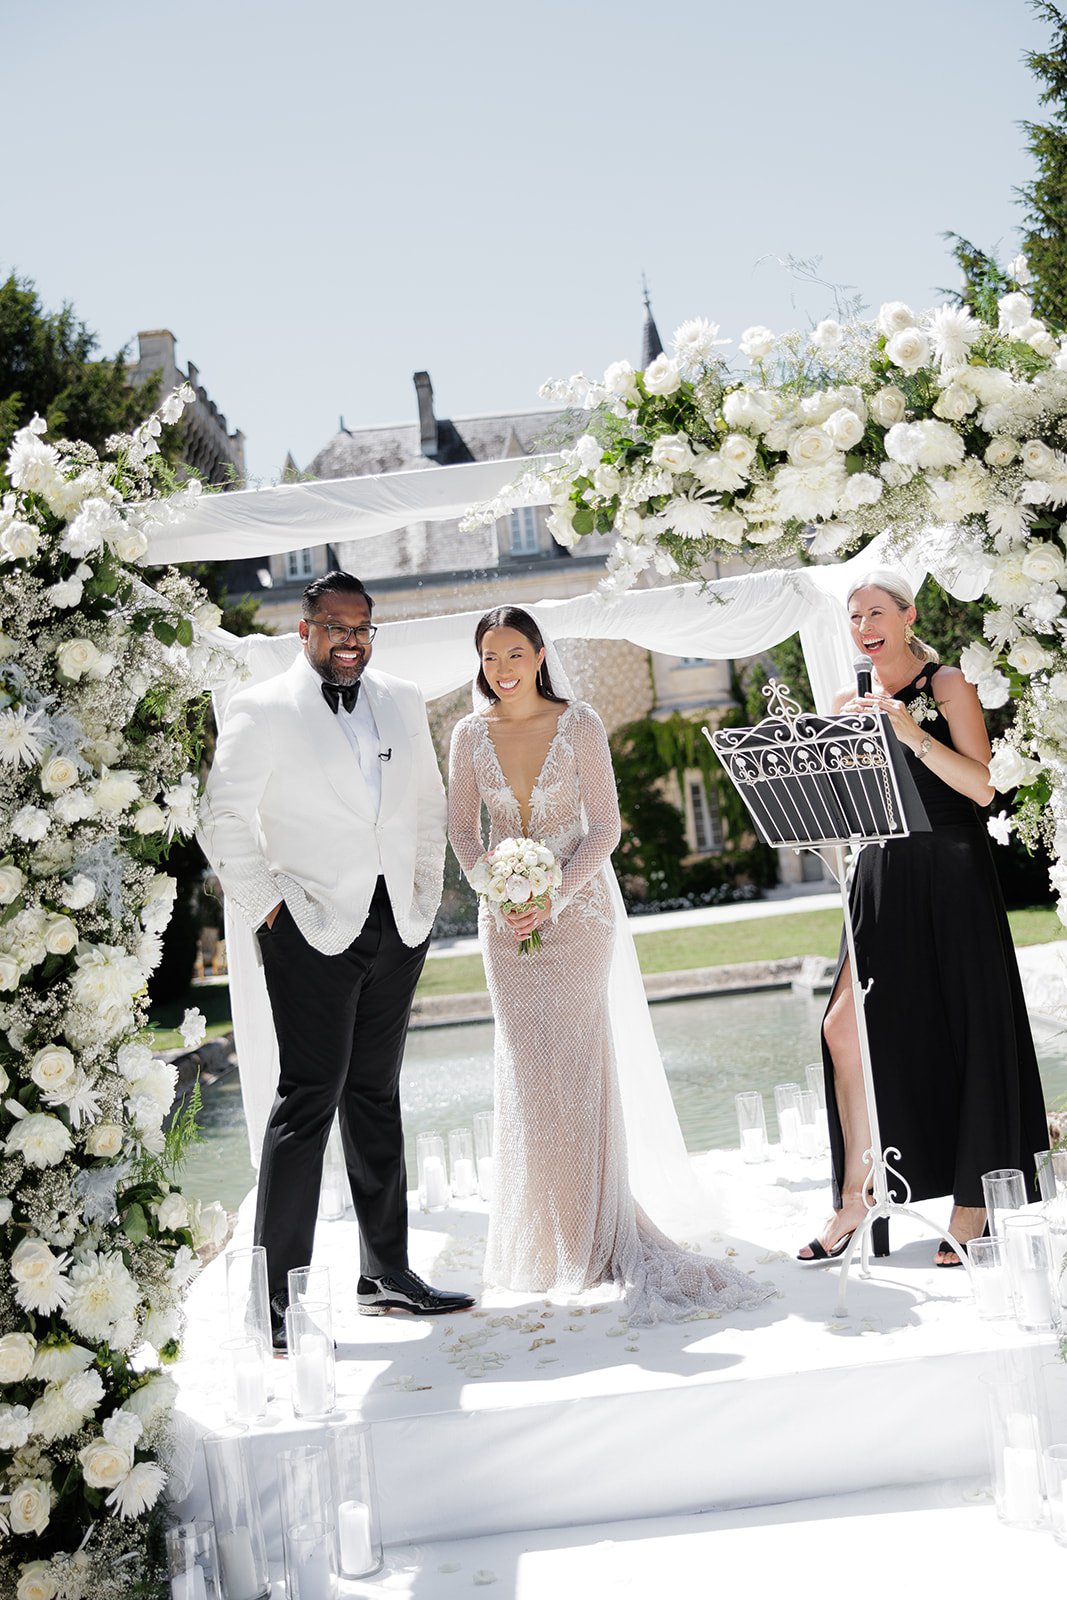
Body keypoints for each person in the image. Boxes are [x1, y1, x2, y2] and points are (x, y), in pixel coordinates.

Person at [447, 605, 775, 1323]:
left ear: (538, 655)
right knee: (530, 1074)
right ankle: (548, 1238)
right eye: (488, 657)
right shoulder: (467, 736)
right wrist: (499, 896)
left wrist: (552, 893)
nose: (500, 670)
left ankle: (597, 1236)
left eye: (512, 654)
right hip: (503, 929)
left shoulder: (581, 724)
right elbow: (463, 837)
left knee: (578, 1067)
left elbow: (605, 826)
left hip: (579, 919)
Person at [198, 570, 475, 1340]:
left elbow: (424, 802)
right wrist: (271, 912)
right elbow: (221, 820)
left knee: (376, 1097)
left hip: (397, 926)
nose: (349, 641)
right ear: (305, 631)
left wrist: (421, 893)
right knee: (307, 1100)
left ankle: (384, 1272)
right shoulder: (261, 709)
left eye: (361, 629)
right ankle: (274, 1302)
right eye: (335, 628)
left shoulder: (400, 697)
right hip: (309, 928)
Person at [797, 570, 1048, 1267]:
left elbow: (981, 784)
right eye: (852, 616)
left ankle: (974, 1201)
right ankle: (857, 1194)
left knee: (966, 1025)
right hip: (879, 871)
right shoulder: (849, 699)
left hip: (949, 867)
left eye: (875, 611)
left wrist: (907, 732)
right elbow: (841, 807)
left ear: (907, 616)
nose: (862, 625)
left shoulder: (946, 685)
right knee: (842, 1028)